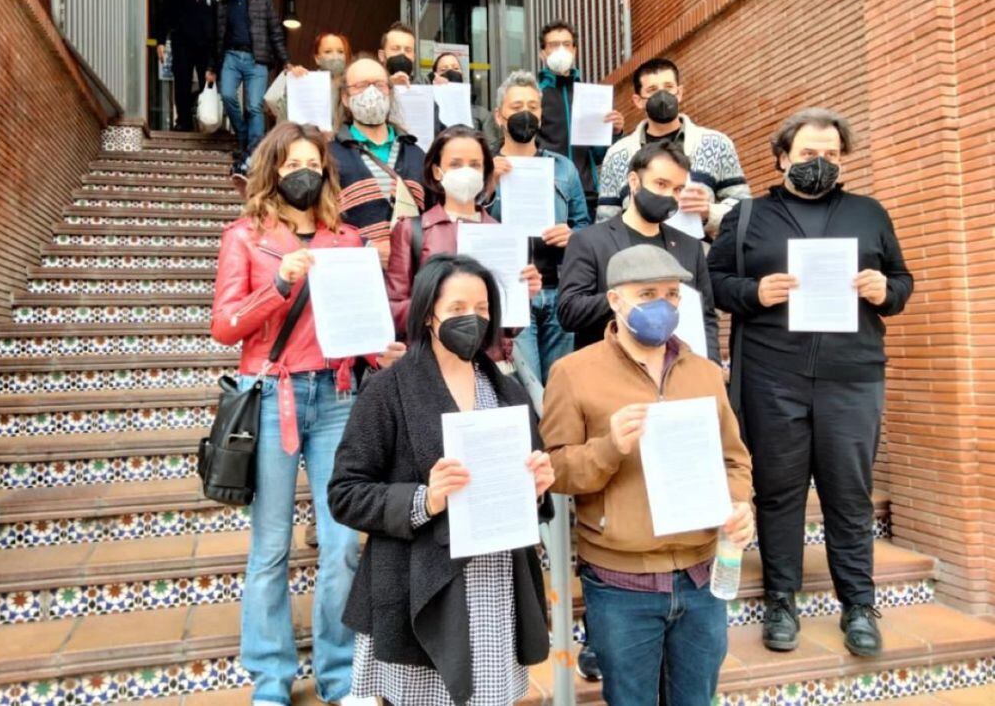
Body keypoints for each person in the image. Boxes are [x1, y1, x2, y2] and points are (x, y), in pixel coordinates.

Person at [708, 107, 913, 658]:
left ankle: (860, 606)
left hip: (852, 376)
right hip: (774, 377)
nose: (818, 163)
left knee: (850, 495)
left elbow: (902, 282)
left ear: (842, 160)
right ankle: (780, 601)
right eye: (807, 154)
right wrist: (756, 294)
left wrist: (882, 291)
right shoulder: (749, 216)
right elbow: (715, 283)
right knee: (778, 494)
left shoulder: (869, 214)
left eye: (830, 154)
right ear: (782, 158)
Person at [211, 122, 403, 706]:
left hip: (339, 397)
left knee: (345, 540)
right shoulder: (244, 236)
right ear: (273, 169)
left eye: (314, 164)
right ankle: (270, 679)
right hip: (271, 397)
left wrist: (382, 349)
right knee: (270, 547)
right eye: (293, 162)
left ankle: (340, 676)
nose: (305, 172)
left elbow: (355, 327)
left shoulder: (346, 241)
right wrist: (277, 283)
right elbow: (224, 327)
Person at [329, 253, 556, 706]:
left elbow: (526, 487)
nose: (472, 319)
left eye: (483, 309)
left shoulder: (508, 392)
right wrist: (424, 500)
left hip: (493, 587)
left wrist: (536, 488)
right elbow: (346, 493)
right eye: (457, 309)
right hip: (419, 589)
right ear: (429, 313)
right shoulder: (387, 389)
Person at [541, 244, 754, 706]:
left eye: (673, 294)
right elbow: (555, 470)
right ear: (615, 300)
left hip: (702, 576)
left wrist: (739, 503)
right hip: (622, 584)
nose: (663, 305)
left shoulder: (703, 373)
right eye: (648, 293)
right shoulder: (573, 373)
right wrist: (608, 447)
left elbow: (734, 458)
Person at [558, 141, 719, 358]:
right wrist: (626, 297)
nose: (669, 196)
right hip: (611, 373)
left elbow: (706, 317)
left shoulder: (690, 246)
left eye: (678, 189)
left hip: (678, 373)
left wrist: (712, 371)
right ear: (634, 182)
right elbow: (569, 312)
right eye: (661, 184)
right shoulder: (589, 241)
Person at [385, 125, 542, 338]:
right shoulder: (412, 230)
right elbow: (393, 311)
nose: (466, 171)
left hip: (487, 360)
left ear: (485, 171)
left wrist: (524, 296)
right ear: (437, 170)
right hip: (431, 359)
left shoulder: (502, 235)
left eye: (475, 164)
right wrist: (442, 308)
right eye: (455, 164)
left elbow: (509, 329)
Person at [486, 70, 591, 383]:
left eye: (533, 106)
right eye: (517, 106)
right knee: (526, 385)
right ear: (499, 116)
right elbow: (469, 225)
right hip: (512, 291)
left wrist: (573, 236)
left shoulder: (563, 168)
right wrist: (488, 184)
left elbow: (585, 225)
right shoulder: (485, 167)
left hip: (559, 289)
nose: (526, 114)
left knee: (561, 386)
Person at [596, 58, 750, 232]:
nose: (662, 96)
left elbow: (744, 207)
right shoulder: (617, 154)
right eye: (652, 90)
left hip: (701, 253)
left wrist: (709, 211)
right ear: (638, 101)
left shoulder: (716, 143)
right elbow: (605, 221)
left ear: (680, 92)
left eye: (669, 87)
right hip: (638, 255)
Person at [329, 55, 428, 267]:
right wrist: (364, 248)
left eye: (379, 84)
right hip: (358, 276)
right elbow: (319, 224)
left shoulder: (416, 154)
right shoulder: (329, 156)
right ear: (345, 98)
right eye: (361, 85)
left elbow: (433, 216)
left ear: (390, 93)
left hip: (414, 281)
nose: (371, 92)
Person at [212, 0, 299, 171]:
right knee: (228, 95)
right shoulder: (223, 4)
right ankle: (243, 133)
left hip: (256, 58)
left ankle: (255, 148)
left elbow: (275, 32)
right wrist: (212, 67)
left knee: (254, 105)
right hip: (231, 56)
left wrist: (286, 61)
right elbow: (217, 37)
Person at [535, 21, 624, 216]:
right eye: (554, 45)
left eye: (566, 44)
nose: (561, 50)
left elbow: (599, 155)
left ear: (574, 50)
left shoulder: (590, 96)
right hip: (547, 190)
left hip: (586, 193)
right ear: (543, 53)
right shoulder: (534, 96)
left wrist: (614, 132)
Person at [154, 0, 217, 132]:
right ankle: (184, 121)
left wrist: (215, 50)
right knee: (182, 83)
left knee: (208, 85)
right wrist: (160, 41)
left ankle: (206, 121)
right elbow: (164, 17)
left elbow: (215, 23)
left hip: (204, 47)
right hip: (182, 44)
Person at [267, 31, 351, 130]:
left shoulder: (353, 85)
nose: (335, 56)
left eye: (340, 51)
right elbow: (276, 107)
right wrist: (294, 84)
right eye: (328, 51)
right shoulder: (306, 82)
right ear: (317, 58)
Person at [428, 51, 491, 134]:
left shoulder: (481, 114)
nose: (450, 72)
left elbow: (491, 145)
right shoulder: (428, 112)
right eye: (443, 69)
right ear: (435, 75)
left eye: (456, 68)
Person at [377, 20, 418, 87]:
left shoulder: (423, 90)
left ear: (414, 57)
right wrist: (390, 86)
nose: (402, 53)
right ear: (381, 55)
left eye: (408, 50)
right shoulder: (370, 88)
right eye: (395, 49)